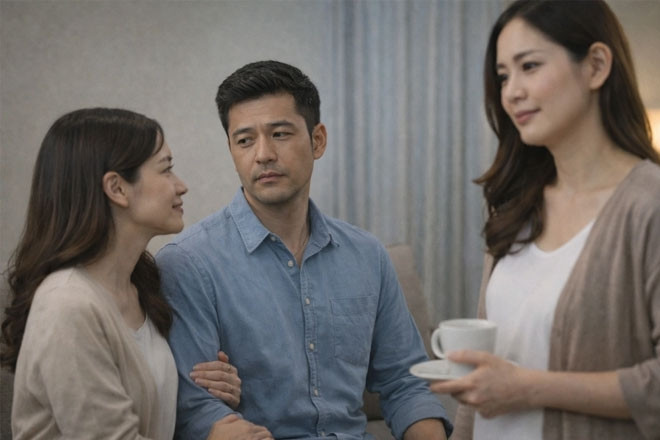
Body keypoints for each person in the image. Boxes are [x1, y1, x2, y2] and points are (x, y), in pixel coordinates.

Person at [155, 60, 452, 440]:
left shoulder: (367, 255)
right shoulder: (188, 263)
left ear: (317, 140)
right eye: (244, 140)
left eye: (279, 134)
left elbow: (406, 383)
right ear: (231, 149)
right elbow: (197, 408)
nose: (263, 154)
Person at [430, 1, 660, 439]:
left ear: (596, 66)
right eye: (503, 76)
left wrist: (529, 389)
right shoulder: (514, 207)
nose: (511, 92)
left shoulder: (648, 206)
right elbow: (481, 380)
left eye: (529, 66)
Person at [0, 108, 271, 439]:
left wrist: (209, 387)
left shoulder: (142, 289)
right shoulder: (67, 304)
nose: (181, 186)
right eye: (166, 169)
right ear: (117, 188)